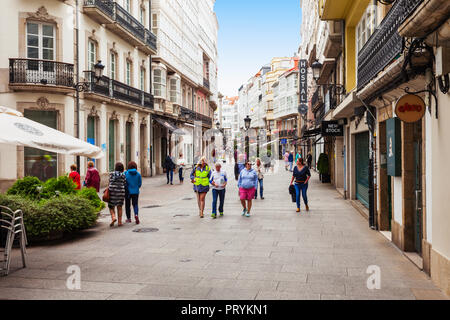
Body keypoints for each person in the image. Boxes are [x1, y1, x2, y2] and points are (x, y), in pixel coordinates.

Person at [108, 162, 126, 227]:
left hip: (112, 191)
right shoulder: (123, 175)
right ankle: (120, 222)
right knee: (119, 207)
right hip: (120, 192)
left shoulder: (111, 174)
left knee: (111, 206)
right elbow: (124, 182)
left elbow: (109, 181)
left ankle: (113, 217)